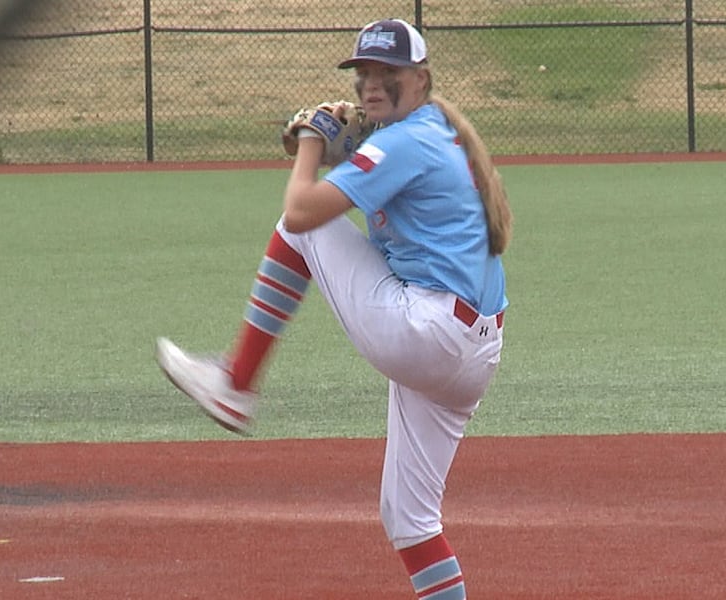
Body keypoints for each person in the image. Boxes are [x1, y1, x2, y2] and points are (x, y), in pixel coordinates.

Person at [155, 17, 511, 600]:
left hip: (428, 333)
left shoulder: (405, 140)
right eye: (363, 73)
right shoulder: (433, 131)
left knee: (298, 231)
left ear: (420, 80)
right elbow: (371, 169)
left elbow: (301, 211)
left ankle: (236, 384)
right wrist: (330, 144)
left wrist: (313, 146)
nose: (372, 84)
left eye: (387, 73)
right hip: (471, 350)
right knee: (411, 521)